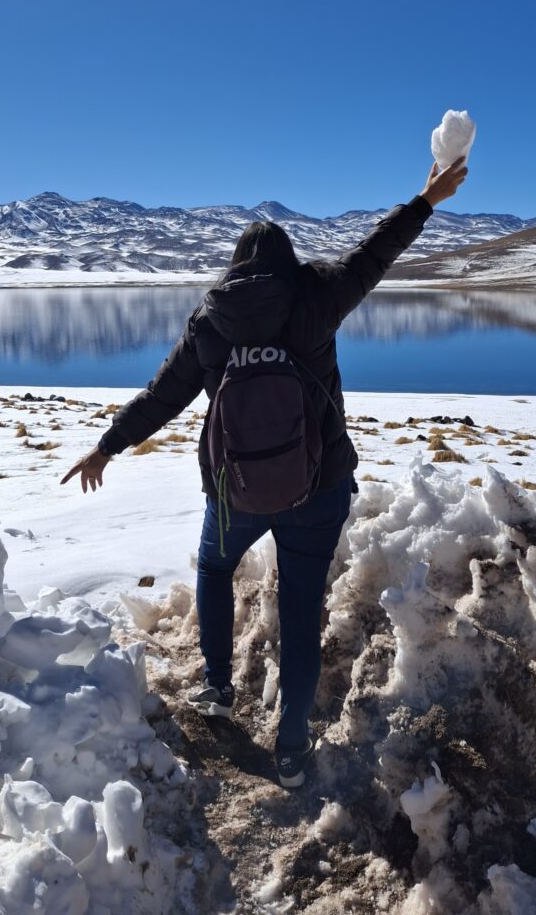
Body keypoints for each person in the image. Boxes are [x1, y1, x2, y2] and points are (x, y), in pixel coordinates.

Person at [62, 152, 468, 787]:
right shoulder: (318, 295)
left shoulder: (211, 318)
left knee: (216, 567)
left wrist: (108, 446)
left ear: (235, 265)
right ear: (285, 260)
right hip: (320, 486)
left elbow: (164, 395)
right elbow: (374, 256)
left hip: (233, 495)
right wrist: (425, 201)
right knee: (302, 612)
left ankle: (219, 688)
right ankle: (291, 751)